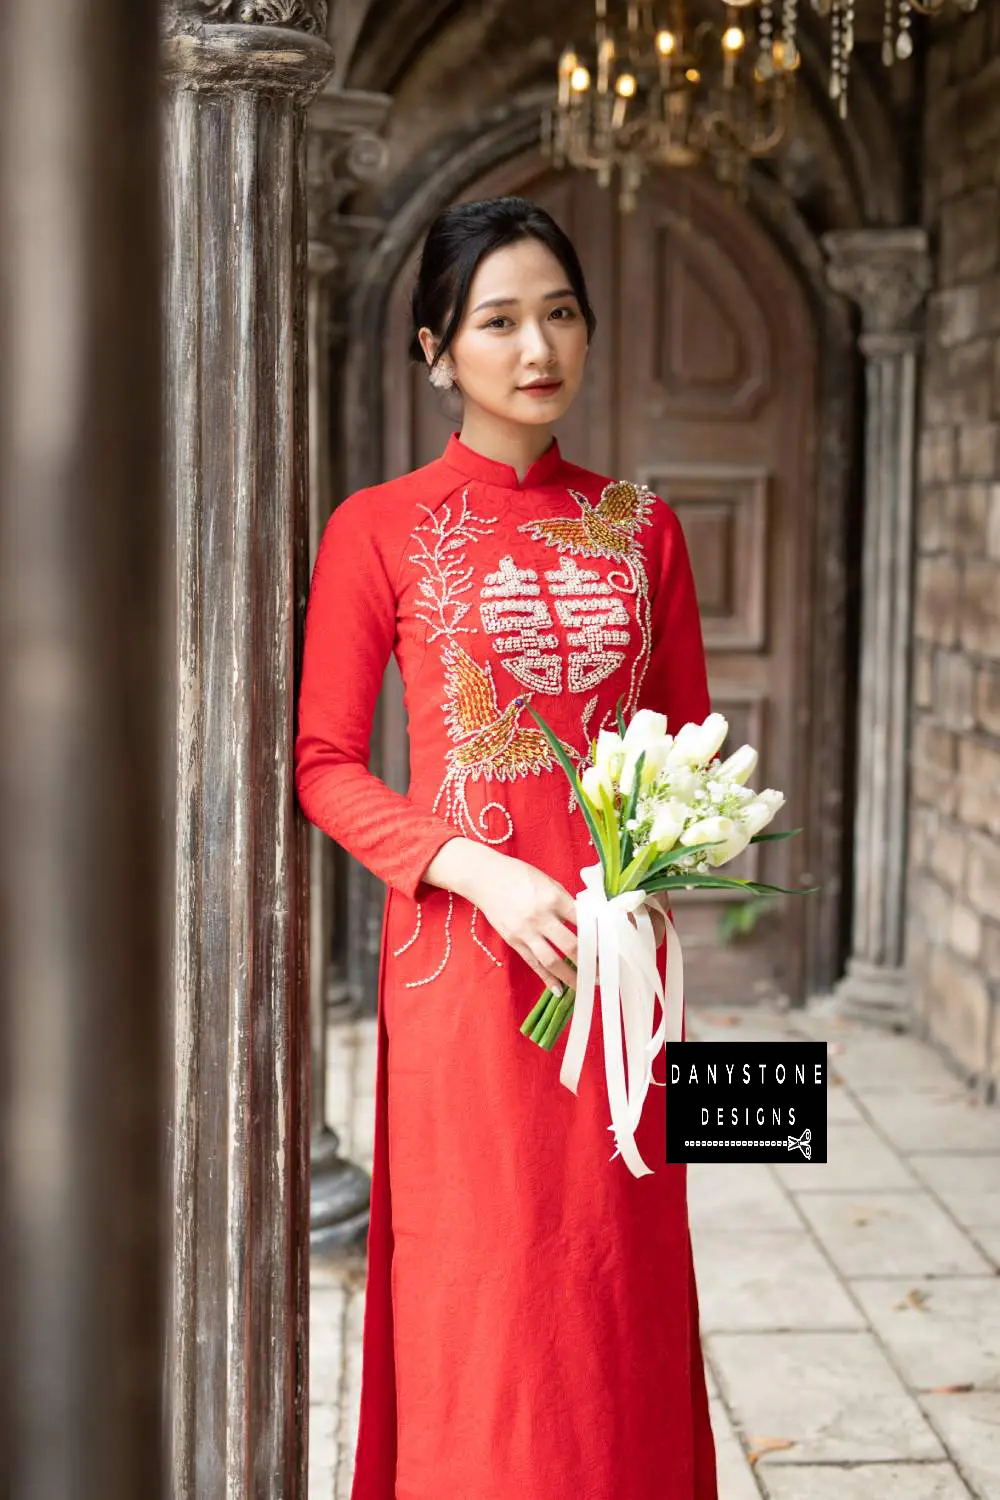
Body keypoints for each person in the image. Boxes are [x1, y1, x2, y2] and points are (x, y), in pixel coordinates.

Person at [294, 194, 718, 1500]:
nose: (537, 346)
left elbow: (687, 747)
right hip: (463, 981)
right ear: (437, 350)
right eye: (498, 320)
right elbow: (322, 767)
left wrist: (644, 891)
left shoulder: (641, 526)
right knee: (487, 1284)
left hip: (614, 982)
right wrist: (471, 867)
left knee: (616, 1278)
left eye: (561, 312)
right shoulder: (378, 526)